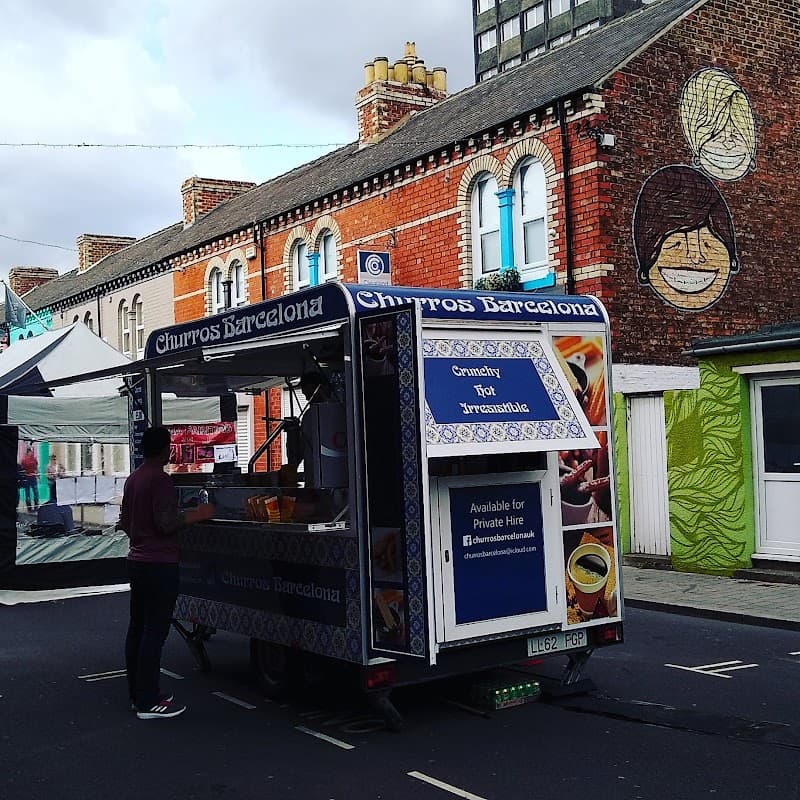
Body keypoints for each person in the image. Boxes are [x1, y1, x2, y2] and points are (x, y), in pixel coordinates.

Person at [119, 426, 214, 720]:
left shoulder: (134, 478)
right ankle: (148, 702)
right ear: (164, 449)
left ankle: (138, 693)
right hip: (160, 564)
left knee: (138, 628)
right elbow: (166, 523)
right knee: (154, 632)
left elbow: (125, 520)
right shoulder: (160, 480)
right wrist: (197, 514)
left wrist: (141, 536)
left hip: (137, 561)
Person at [20, 446, 39, 512]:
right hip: (28, 477)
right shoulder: (25, 459)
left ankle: (34, 506)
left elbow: (36, 467)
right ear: (28, 452)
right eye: (30, 451)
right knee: (30, 492)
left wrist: (37, 474)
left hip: (31, 477)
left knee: (34, 492)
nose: (31, 453)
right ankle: (31, 507)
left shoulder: (32, 459)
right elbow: (23, 468)